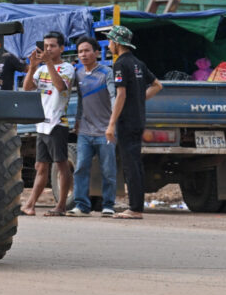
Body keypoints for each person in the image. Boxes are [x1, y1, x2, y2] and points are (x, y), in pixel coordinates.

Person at [104, 25, 163, 220]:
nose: (109, 45)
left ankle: (135, 208)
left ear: (117, 43)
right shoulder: (138, 63)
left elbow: (121, 94)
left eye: (110, 41)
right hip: (138, 119)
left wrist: (111, 123)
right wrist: (138, 99)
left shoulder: (120, 64)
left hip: (126, 121)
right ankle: (137, 206)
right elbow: (157, 85)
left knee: (130, 165)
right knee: (136, 163)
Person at [20, 31, 76, 217]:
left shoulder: (67, 68)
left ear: (62, 48)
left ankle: (61, 206)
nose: (48, 49)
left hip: (57, 123)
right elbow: (27, 88)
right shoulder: (41, 69)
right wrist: (32, 67)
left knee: (61, 164)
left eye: (52, 46)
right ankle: (30, 205)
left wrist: (49, 63)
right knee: (41, 166)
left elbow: (60, 87)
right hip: (42, 124)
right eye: (45, 46)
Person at [67, 36, 117, 217]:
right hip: (85, 131)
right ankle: (81, 205)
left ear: (96, 52)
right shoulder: (78, 74)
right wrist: (77, 120)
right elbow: (81, 100)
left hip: (105, 131)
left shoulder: (106, 73)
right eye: (80, 51)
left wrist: (112, 124)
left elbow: (114, 97)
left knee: (108, 170)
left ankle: (108, 205)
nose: (83, 54)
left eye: (87, 50)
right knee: (80, 168)